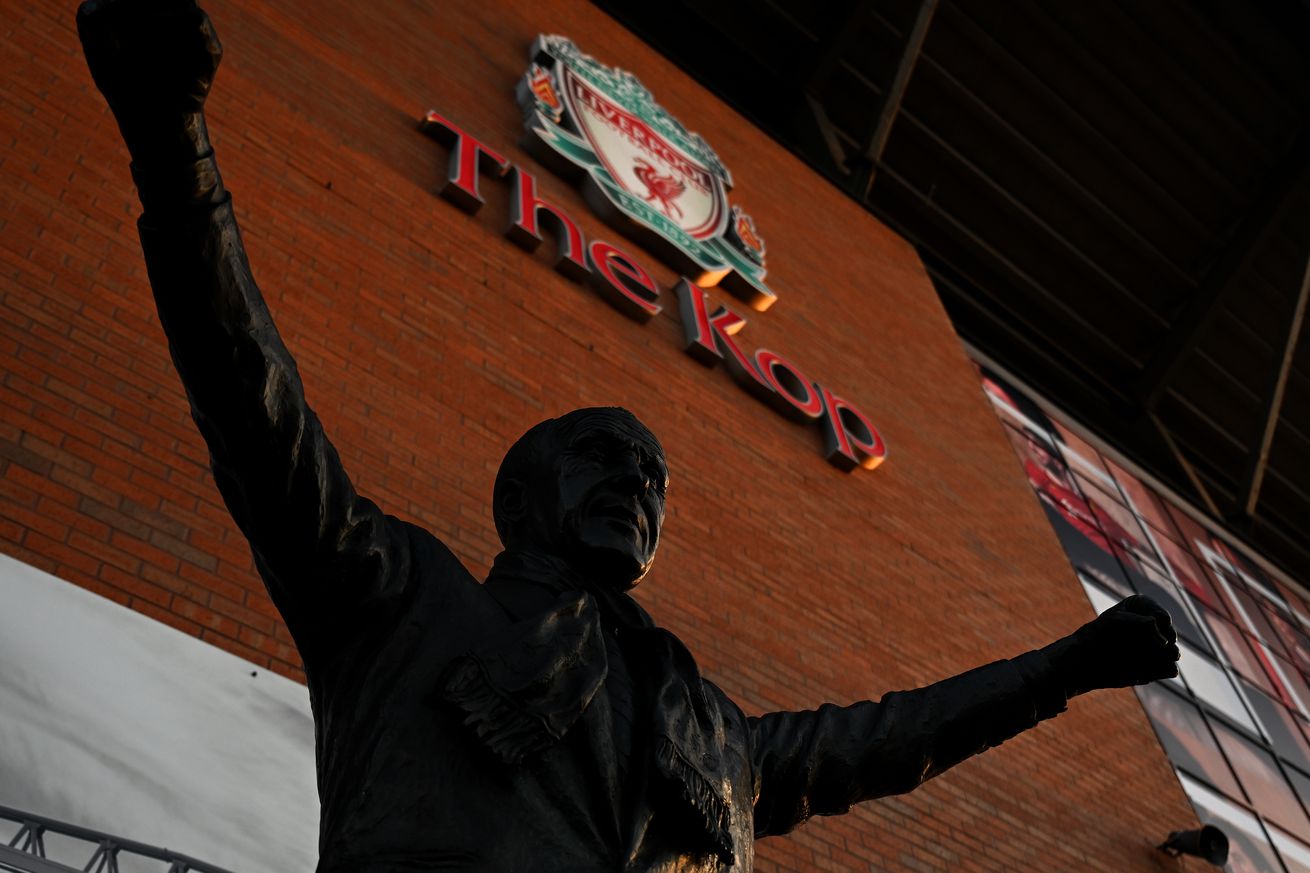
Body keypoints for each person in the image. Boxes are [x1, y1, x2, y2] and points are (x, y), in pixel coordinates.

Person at [75, 1, 1183, 870]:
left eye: (652, 478)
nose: (637, 488)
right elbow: (249, 395)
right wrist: (174, 145)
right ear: (520, 497)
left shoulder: (703, 733)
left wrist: (1064, 668)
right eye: (601, 459)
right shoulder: (396, 598)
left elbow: (890, 737)